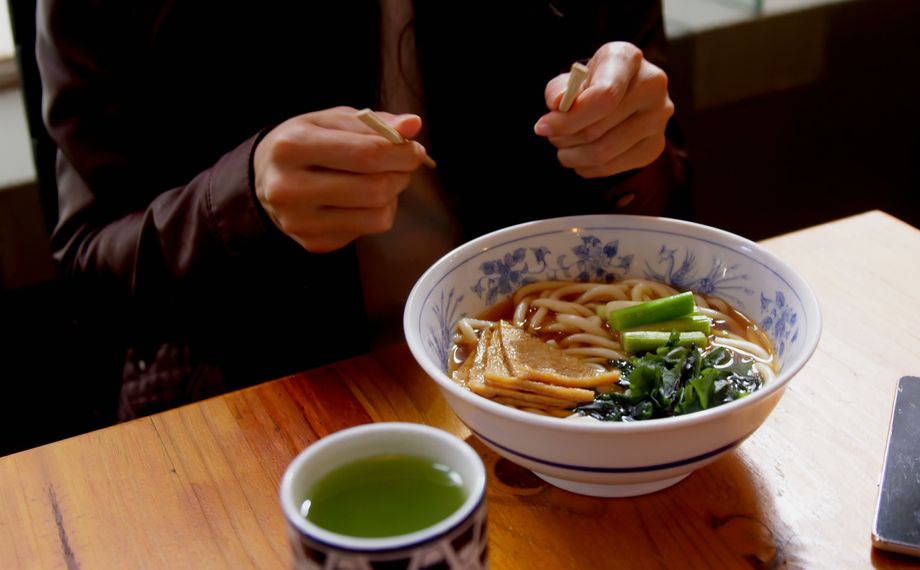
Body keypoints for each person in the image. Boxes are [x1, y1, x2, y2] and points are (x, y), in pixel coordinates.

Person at [36, 0, 690, 420]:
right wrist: (244, 199)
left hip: (539, 386)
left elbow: (667, 203)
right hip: (264, 398)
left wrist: (629, 149)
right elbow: (93, 271)